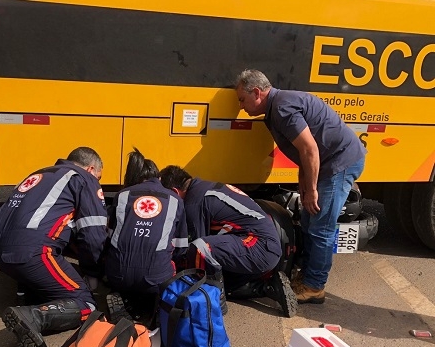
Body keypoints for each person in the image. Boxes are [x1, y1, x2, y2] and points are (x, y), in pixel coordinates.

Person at [234, 69, 366, 304]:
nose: (241, 107)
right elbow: (304, 153)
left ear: (256, 92)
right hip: (327, 163)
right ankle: (305, 275)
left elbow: (310, 150)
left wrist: (312, 189)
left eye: (242, 100)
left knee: (321, 227)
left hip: (339, 163)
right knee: (307, 221)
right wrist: (304, 185)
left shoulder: (283, 108)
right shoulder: (278, 106)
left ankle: (315, 286)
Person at [0, 147, 108, 347]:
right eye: (99, 176)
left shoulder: (40, 173)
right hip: (30, 252)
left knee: (46, 271)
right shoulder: (84, 178)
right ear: (90, 169)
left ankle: (28, 293)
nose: (97, 181)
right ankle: (32, 317)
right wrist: (94, 272)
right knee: (84, 303)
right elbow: (93, 234)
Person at [159, 165, 297, 317]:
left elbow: (190, 247)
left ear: (174, 192)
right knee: (221, 280)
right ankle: (267, 288)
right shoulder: (204, 188)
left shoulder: (194, 202)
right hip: (262, 247)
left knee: (200, 250)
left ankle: (215, 304)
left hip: (259, 246)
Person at [104, 149, 188, 321]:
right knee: (162, 270)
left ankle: (125, 297)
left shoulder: (121, 196)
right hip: (156, 277)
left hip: (117, 275)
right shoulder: (175, 200)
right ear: (159, 178)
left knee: (121, 265)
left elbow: (109, 238)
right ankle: (155, 305)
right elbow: (180, 246)